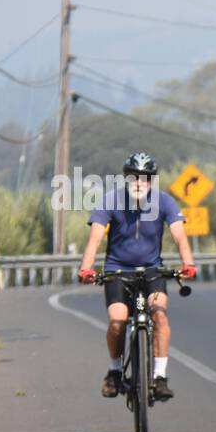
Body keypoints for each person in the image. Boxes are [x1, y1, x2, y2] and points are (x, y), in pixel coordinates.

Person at [77, 151, 196, 401]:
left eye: (145, 178)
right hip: (117, 271)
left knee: (160, 317)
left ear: (152, 180)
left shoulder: (165, 201)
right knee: (118, 322)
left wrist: (188, 264)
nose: (139, 182)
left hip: (153, 270)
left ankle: (160, 377)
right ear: (125, 179)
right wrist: (86, 268)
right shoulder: (111, 200)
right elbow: (95, 238)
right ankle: (114, 371)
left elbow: (179, 235)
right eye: (134, 177)